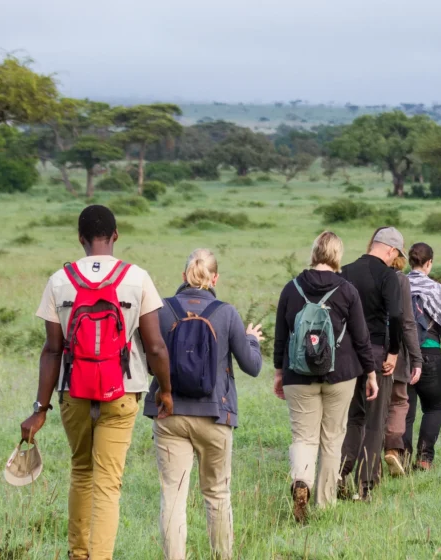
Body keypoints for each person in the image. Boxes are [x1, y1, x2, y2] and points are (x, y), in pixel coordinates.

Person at [20, 205, 172, 560]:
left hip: (73, 392)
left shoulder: (60, 280)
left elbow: (51, 350)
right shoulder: (137, 278)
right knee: (108, 483)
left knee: (81, 471)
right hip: (123, 392)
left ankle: (79, 553)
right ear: (115, 236)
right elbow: (155, 346)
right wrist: (165, 389)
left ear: (80, 239)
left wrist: (39, 409)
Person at [144, 249, 264, 560]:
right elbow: (252, 366)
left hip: (169, 413)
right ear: (215, 278)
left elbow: (149, 362)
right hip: (215, 416)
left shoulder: (162, 311)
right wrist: (251, 339)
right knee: (217, 495)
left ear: (183, 276)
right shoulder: (226, 312)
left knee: (173, 496)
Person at [273, 232, 379, 522]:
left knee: (303, 437)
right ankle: (325, 501)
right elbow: (361, 337)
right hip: (341, 374)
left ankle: (301, 482)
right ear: (336, 255)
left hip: (297, 374)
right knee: (332, 439)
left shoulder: (291, 288)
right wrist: (370, 373)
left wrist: (279, 372)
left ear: (314, 252)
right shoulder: (347, 290)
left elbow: (282, 335)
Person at [338, 226, 405, 502]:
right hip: (377, 353)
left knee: (353, 417)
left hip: (348, 354)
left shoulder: (345, 272)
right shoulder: (387, 276)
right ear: (389, 250)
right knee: (375, 419)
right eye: (395, 255)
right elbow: (397, 316)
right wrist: (393, 352)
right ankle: (366, 485)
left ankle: (340, 473)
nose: (393, 260)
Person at [404, 243, 441, 470]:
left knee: (405, 412)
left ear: (410, 262)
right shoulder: (436, 289)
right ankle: (424, 458)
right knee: (434, 408)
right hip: (431, 355)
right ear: (429, 263)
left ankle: (402, 457)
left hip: (403, 358)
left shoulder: (398, 285)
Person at [383, 252, 421, 477]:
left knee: (372, 405)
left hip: (369, 351)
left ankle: (367, 456)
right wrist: (416, 358)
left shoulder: (360, 274)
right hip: (396, 352)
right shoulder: (400, 280)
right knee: (398, 402)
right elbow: (407, 322)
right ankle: (392, 449)